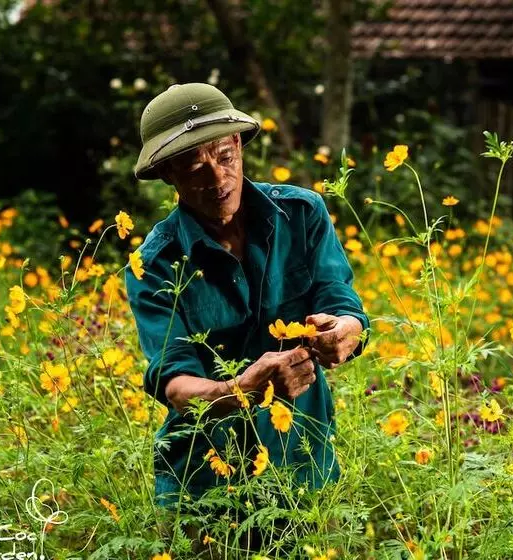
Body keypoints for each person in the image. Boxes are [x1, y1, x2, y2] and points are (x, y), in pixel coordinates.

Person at [125, 83, 369, 525]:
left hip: (304, 465)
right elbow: (176, 384)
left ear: (238, 143)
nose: (218, 179)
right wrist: (240, 391)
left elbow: (342, 300)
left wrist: (345, 331)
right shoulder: (154, 265)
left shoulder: (302, 214)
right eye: (194, 167)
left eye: (223, 156)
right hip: (204, 485)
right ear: (167, 175)